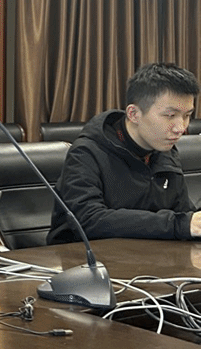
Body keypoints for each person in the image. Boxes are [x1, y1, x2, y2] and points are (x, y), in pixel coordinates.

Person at [47, 62, 201, 244]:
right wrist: (178, 224)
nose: (181, 128)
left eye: (187, 115)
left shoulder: (165, 152)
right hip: (82, 257)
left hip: (148, 255)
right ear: (134, 114)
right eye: (170, 116)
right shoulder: (87, 152)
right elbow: (88, 220)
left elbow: (184, 214)